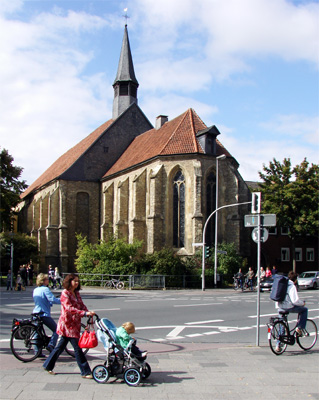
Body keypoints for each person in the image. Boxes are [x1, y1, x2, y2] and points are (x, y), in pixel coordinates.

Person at [43, 274, 95, 378]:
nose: (76, 283)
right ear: (69, 281)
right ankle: (85, 371)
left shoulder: (76, 293)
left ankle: (48, 365)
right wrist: (84, 313)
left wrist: (87, 311)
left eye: (77, 281)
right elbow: (69, 308)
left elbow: (81, 304)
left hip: (75, 323)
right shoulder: (65, 293)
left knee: (60, 346)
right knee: (77, 348)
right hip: (67, 324)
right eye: (74, 281)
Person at [275, 270, 308, 352]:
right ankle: (300, 328)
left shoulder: (282, 283)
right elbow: (295, 300)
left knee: (282, 325)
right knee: (304, 310)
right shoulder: (291, 286)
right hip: (288, 307)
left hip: (280, 307)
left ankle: (278, 345)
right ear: (295, 280)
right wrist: (302, 303)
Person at [33, 273, 61, 356]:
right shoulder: (45, 289)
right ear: (43, 281)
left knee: (37, 333)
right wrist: (63, 300)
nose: (48, 280)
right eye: (47, 279)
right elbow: (52, 300)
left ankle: (37, 352)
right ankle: (51, 345)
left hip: (36, 313)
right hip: (43, 313)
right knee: (56, 330)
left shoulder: (36, 289)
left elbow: (42, 300)